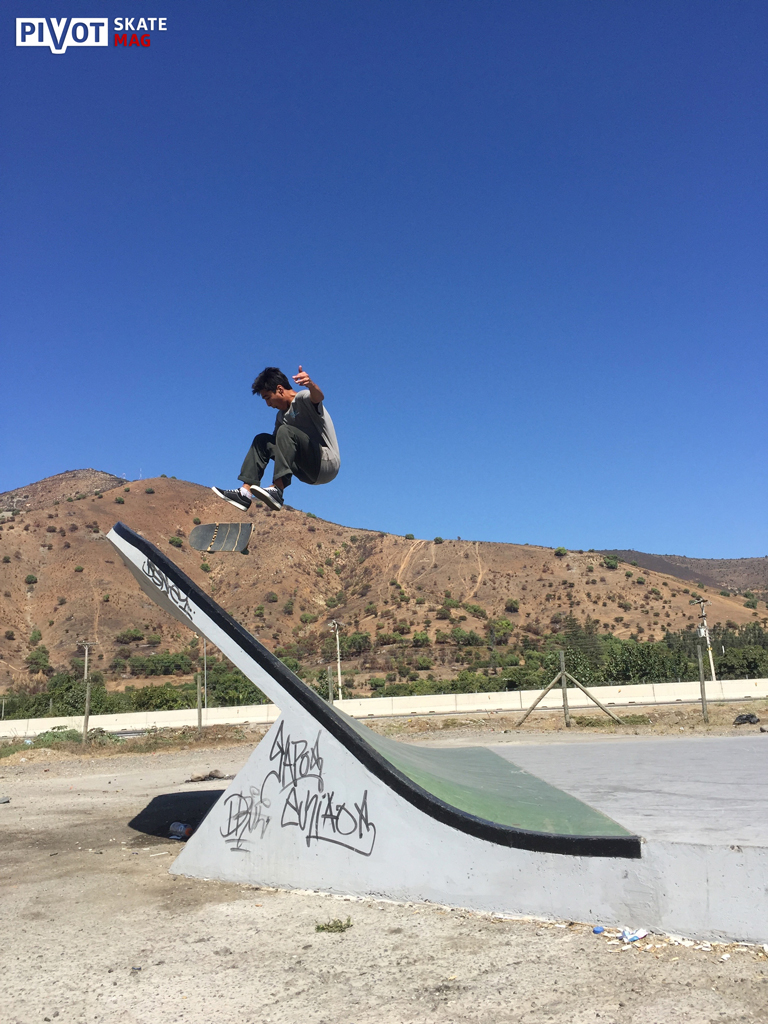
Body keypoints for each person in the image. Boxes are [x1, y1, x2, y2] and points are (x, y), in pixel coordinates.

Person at [213, 365, 340, 512]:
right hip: (306, 473)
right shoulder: (281, 417)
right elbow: (276, 449)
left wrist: (310, 384)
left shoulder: (302, 398)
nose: (268, 404)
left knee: (285, 431)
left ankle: (278, 489)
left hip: (326, 463)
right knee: (262, 440)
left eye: (268, 398)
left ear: (279, 389)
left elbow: (318, 397)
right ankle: (244, 493)